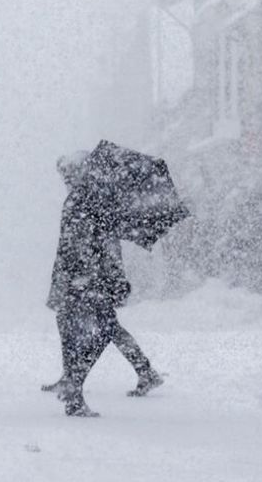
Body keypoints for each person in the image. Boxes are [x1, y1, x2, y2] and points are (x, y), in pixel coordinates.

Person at [42, 153, 162, 416]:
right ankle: (77, 381)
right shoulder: (85, 198)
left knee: (102, 328)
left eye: (67, 172)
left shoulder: (86, 199)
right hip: (82, 278)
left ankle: (74, 386)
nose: (64, 178)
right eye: (62, 173)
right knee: (84, 325)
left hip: (88, 279)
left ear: (78, 172)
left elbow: (90, 245)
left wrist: (86, 277)